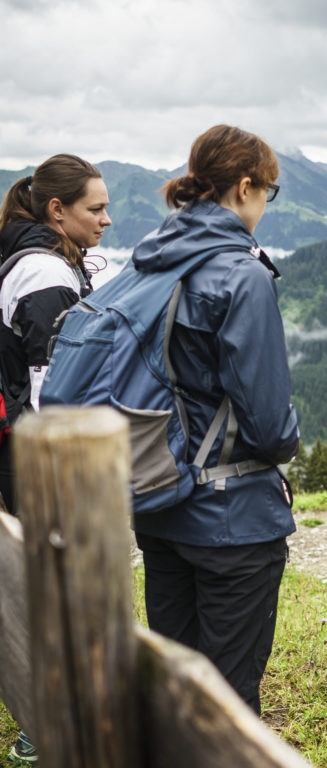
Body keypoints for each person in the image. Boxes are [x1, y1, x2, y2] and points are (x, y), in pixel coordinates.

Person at [131, 125, 299, 716]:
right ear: (246, 187)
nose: (264, 208)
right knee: (228, 705)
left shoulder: (151, 258)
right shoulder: (240, 274)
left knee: (174, 686)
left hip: (159, 502)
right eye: (268, 193)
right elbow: (271, 426)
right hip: (233, 523)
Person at [0, 154, 111, 764]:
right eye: (96, 208)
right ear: (56, 210)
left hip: (24, 448)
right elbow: (54, 386)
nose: (107, 219)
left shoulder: (37, 258)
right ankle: (44, 728)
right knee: (57, 587)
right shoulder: (44, 274)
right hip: (45, 457)